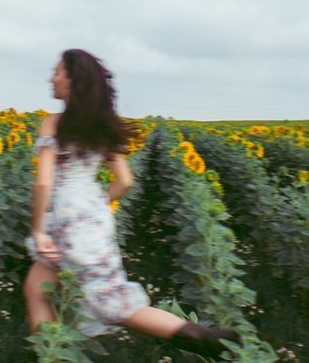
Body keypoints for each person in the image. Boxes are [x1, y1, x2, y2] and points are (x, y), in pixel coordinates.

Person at [23, 49, 241, 358]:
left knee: (100, 300)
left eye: (57, 72)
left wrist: (39, 231)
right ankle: (198, 335)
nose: (51, 78)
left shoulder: (53, 123)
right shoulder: (102, 125)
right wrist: (97, 207)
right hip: (95, 217)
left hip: (65, 215)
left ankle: (52, 354)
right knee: (44, 288)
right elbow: (125, 181)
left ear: (73, 81)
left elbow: (43, 182)